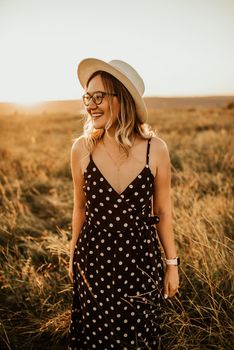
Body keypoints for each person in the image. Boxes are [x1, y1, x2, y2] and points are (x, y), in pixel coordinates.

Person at [67, 58, 180, 350]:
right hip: (93, 259)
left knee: (138, 338)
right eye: (87, 97)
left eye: (99, 96)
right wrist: (73, 255)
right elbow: (80, 208)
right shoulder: (82, 149)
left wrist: (171, 265)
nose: (90, 105)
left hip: (140, 260)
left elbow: (163, 212)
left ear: (122, 98)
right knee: (94, 337)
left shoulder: (156, 150)